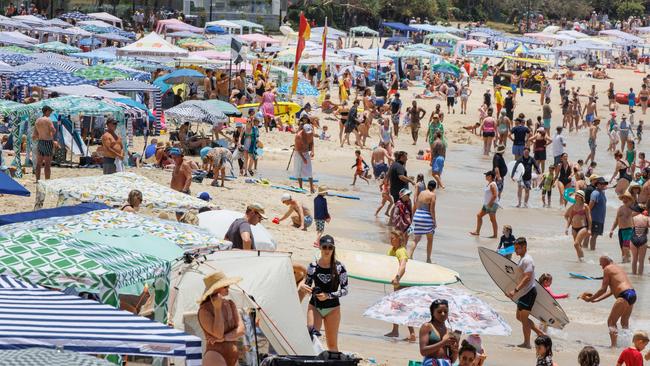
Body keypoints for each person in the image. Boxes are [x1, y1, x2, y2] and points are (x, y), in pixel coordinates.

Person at [301, 235, 348, 352]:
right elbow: (307, 284)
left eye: (330, 247)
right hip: (315, 306)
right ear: (320, 248)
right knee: (312, 340)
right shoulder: (313, 266)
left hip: (333, 308)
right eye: (324, 247)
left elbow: (345, 290)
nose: (327, 250)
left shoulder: (339, 267)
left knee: (332, 345)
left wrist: (328, 295)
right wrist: (303, 287)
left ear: (333, 249)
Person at [580, 256, 636, 348]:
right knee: (624, 322)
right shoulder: (617, 268)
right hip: (632, 293)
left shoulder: (607, 268)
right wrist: (596, 300)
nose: (601, 267)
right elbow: (611, 291)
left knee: (611, 322)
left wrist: (590, 299)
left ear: (605, 262)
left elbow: (603, 289)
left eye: (601, 264)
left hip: (624, 295)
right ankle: (627, 345)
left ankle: (613, 346)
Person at [197, 271, 245, 366]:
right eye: (225, 286)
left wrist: (224, 338)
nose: (228, 288)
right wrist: (217, 309)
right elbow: (218, 334)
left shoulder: (231, 304)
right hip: (215, 355)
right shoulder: (204, 310)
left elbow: (242, 330)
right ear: (215, 289)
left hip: (233, 354)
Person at [506, 237, 545, 348]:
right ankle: (540, 333)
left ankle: (527, 343)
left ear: (524, 247)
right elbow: (519, 277)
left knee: (523, 319)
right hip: (524, 293)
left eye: (518, 248)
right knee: (519, 317)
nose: (516, 250)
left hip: (529, 293)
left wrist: (515, 290)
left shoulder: (528, 260)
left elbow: (527, 278)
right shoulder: (523, 259)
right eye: (515, 248)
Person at [384, 229, 415, 342]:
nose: (391, 240)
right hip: (397, 282)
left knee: (403, 308)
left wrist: (397, 277)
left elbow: (403, 265)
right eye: (390, 238)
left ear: (399, 239)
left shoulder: (401, 251)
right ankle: (395, 330)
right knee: (395, 307)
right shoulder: (393, 250)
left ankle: (412, 334)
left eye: (393, 238)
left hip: (403, 283)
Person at [419, 299, 458, 365]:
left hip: (445, 363)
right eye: (439, 312)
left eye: (445, 312)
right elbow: (423, 351)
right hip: (431, 363)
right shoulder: (427, 326)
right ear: (432, 313)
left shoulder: (449, 330)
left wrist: (455, 351)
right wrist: (443, 343)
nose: (443, 314)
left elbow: (452, 360)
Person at [410, 180, 437, 263]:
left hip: (417, 216)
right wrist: (434, 221)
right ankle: (428, 259)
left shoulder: (421, 193)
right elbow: (432, 209)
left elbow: (416, 205)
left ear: (428, 185)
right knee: (430, 239)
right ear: (434, 187)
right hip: (426, 218)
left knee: (416, 239)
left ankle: (410, 255)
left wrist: (413, 216)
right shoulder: (433, 195)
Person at [470, 171, 498, 238]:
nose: (485, 176)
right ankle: (478, 232)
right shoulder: (490, 184)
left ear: (490, 176)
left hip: (491, 204)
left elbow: (495, 195)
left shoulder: (492, 184)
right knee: (479, 216)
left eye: (486, 175)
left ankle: (495, 235)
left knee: (492, 219)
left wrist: (489, 204)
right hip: (488, 204)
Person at [564, 190, 591, 261]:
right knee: (578, 246)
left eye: (577, 195)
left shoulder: (585, 206)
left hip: (583, 227)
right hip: (574, 228)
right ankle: (580, 261)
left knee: (576, 244)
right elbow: (567, 216)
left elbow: (589, 218)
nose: (575, 197)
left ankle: (582, 259)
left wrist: (589, 229)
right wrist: (567, 228)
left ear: (581, 197)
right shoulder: (573, 206)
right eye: (575, 195)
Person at [32, 106, 56, 181]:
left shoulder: (37, 120)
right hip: (48, 142)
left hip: (40, 142)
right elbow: (53, 130)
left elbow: (34, 135)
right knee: (47, 164)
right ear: (47, 111)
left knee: (39, 163)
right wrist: (51, 135)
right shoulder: (48, 120)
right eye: (50, 111)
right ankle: (47, 180)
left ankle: (37, 180)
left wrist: (41, 134)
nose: (51, 113)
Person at [587, 177, 608, 251]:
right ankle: (591, 251)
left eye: (604, 184)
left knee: (593, 235)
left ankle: (587, 250)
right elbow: (590, 207)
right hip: (594, 218)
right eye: (601, 184)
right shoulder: (595, 193)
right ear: (597, 184)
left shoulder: (602, 193)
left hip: (600, 219)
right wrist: (588, 217)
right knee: (593, 236)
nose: (603, 185)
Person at [294, 123, 315, 193]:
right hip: (299, 153)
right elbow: (297, 148)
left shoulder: (311, 133)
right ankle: (300, 187)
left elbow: (312, 142)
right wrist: (303, 158)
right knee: (299, 170)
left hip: (306, 152)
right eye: (307, 132)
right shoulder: (298, 136)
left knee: (309, 170)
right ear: (303, 130)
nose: (308, 134)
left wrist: (312, 151)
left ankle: (311, 188)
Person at [631, 208, 649, 275]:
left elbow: (632, 226)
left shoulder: (634, 218)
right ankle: (640, 277)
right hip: (643, 239)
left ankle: (634, 275)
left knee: (634, 260)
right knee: (641, 261)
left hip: (633, 239)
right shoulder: (647, 218)